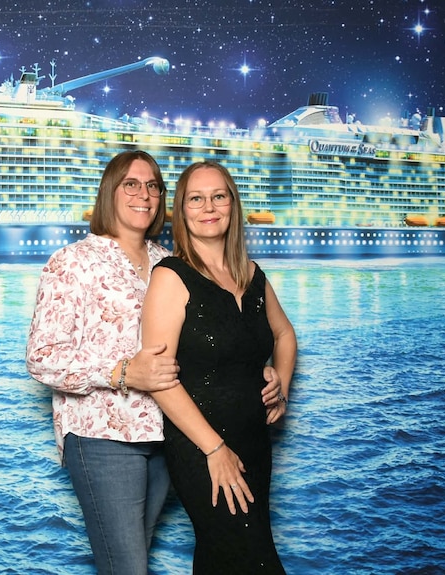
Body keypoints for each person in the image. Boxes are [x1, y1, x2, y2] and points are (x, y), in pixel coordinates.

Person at [25, 150, 182, 575]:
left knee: (128, 563)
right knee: (128, 569)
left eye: (152, 186)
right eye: (131, 184)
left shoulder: (172, 264)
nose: (143, 195)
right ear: (110, 191)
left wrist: (257, 369)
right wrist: (122, 372)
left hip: (168, 437)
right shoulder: (72, 261)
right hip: (102, 436)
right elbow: (42, 359)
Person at [142, 160, 297, 574]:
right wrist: (214, 449)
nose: (208, 206)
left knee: (221, 560)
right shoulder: (170, 277)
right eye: (196, 198)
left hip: (253, 442)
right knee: (252, 559)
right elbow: (159, 381)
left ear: (233, 204)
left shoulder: (252, 274)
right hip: (202, 449)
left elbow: (284, 335)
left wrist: (280, 380)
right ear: (181, 209)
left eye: (218, 196)